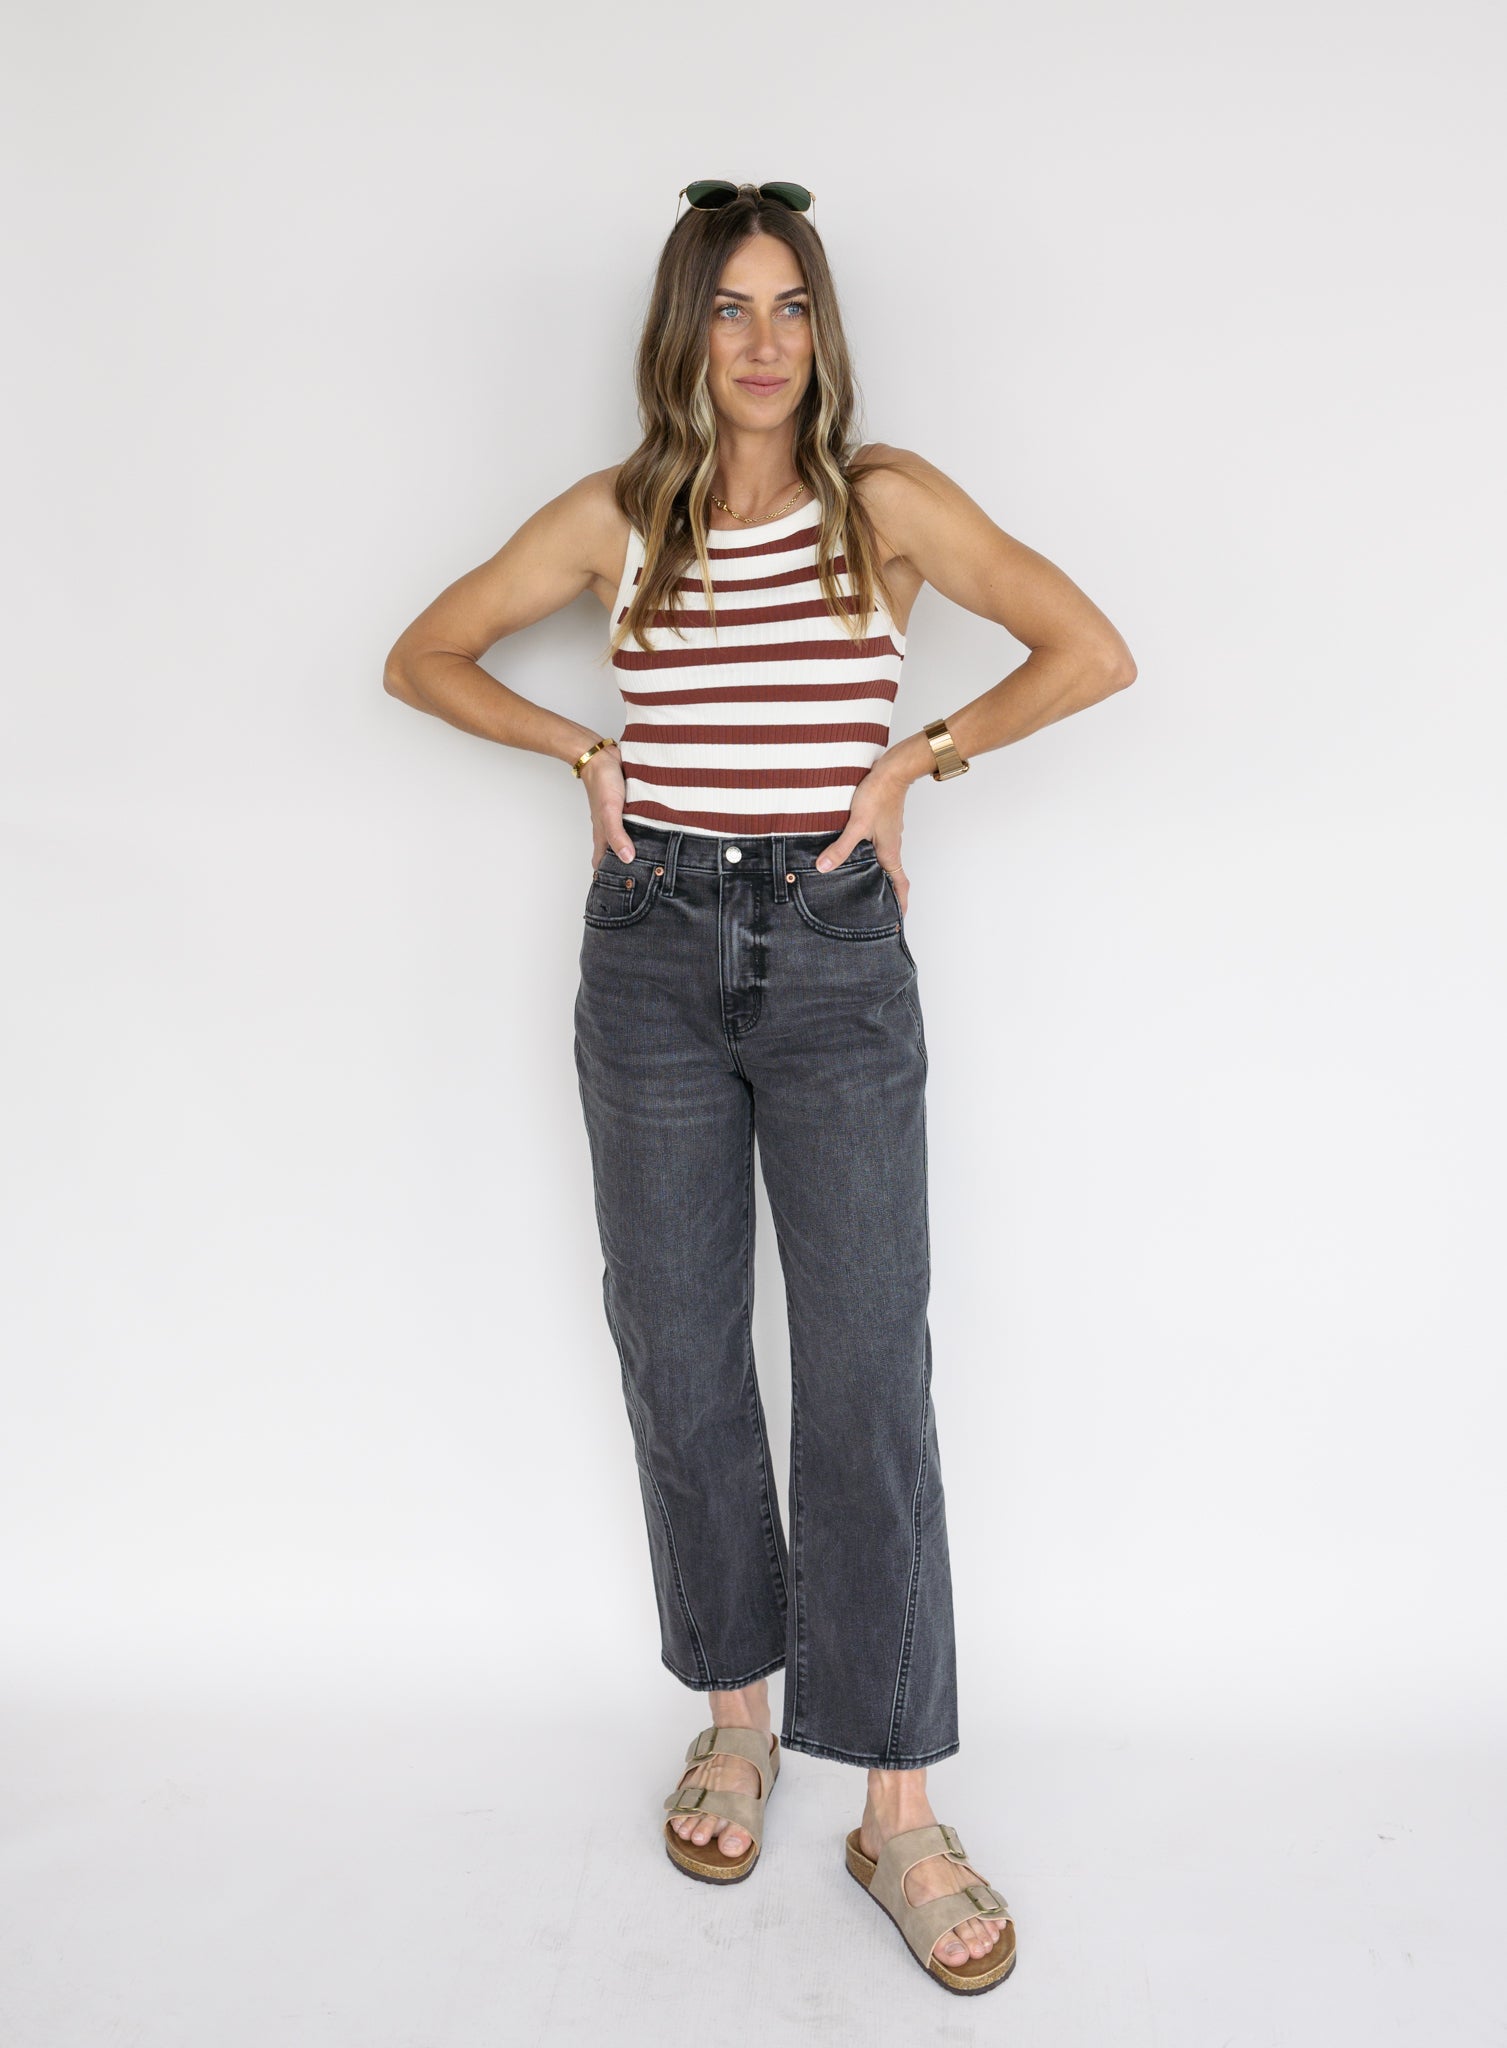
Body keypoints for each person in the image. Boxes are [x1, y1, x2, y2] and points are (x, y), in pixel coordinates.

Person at [383, 179, 1135, 1996]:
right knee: (683, 1345)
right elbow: (420, 657)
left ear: (823, 329)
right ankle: (735, 1715)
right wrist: (581, 750)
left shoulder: (884, 504)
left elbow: (1089, 650)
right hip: (651, 954)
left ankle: (898, 1807)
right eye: (730, 307)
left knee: (868, 1367)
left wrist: (914, 762)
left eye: (791, 305)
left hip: (834, 949)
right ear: (685, 332)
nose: (764, 340)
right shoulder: (619, 519)